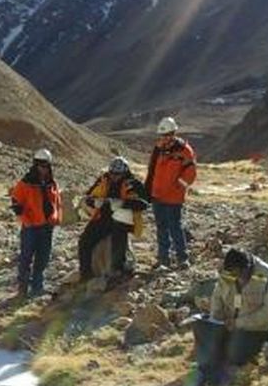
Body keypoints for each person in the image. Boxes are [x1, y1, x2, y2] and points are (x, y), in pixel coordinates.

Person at [78, 156, 148, 282]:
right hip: (103, 217)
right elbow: (88, 196)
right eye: (112, 173)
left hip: (123, 221)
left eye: (118, 174)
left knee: (119, 230)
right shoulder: (104, 180)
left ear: (125, 172)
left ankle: (118, 269)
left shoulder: (133, 183)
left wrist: (122, 203)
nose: (114, 177)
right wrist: (94, 202)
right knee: (84, 240)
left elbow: (144, 203)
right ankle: (86, 273)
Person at [144, 117, 196, 270]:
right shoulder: (158, 149)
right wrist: (148, 191)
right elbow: (152, 171)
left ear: (174, 133)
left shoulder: (185, 151)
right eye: (162, 135)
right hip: (157, 196)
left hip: (173, 198)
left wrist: (178, 187)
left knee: (175, 227)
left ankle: (182, 258)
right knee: (161, 228)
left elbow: (190, 173)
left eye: (167, 135)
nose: (164, 138)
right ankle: (163, 259)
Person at [9, 148, 62, 297]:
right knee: (26, 257)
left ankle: (37, 287)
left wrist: (56, 218)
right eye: (40, 165)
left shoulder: (52, 183)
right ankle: (23, 288)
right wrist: (25, 218)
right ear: (35, 165)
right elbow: (16, 202)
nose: (43, 168)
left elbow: (57, 202)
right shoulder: (25, 183)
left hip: (47, 226)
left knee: (43, 257)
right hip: (31, 227)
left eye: (45, 165)